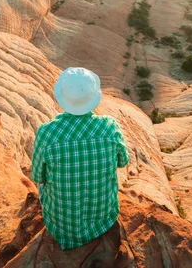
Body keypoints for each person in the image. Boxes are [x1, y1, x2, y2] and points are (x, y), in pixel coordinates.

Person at [31, 67, 130, 252]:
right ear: (93, 96)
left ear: (63, 96)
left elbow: (38, 176)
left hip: (60, 228)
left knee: (45, 181)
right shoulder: (109, 127)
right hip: (104, 221)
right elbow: (123, 161)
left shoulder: (47, 132)